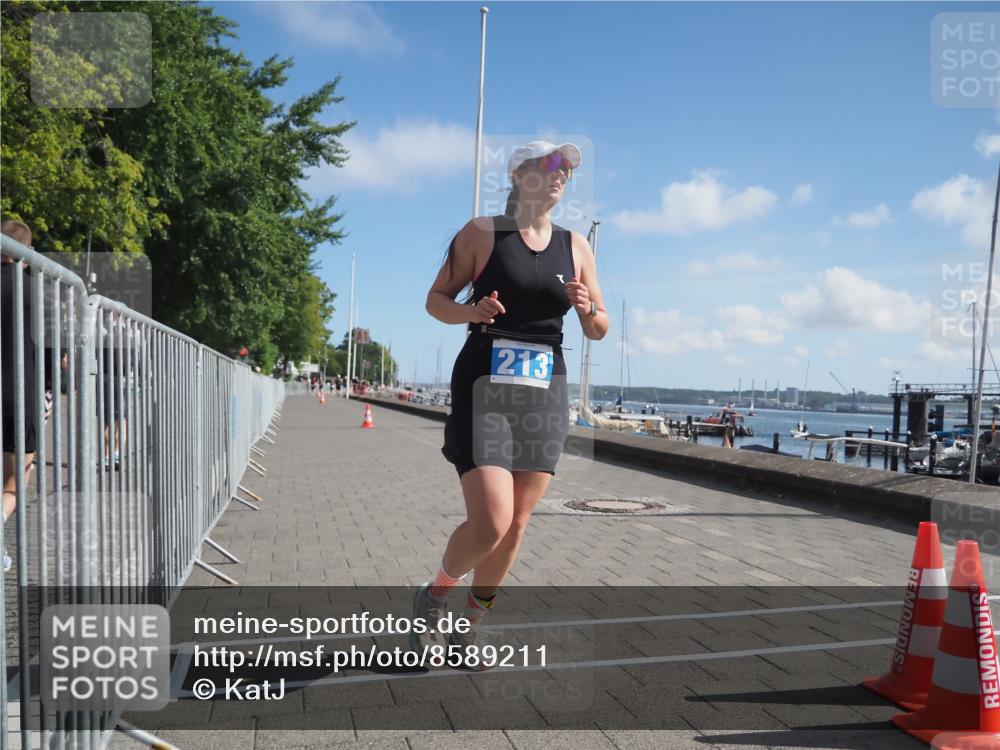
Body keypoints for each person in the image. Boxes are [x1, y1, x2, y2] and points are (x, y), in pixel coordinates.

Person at [417, 141, 608, 667]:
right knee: (492, 521)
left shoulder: (576, 246)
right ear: (519, 174)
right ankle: (434, 595)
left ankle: (469, 627)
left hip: (546, 390)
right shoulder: (482, 233)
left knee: (519, 522)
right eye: (549, 166)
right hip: (485, 383)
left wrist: (590, 310)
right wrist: (472, 311)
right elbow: (435, 301)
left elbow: (599, 328)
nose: (560, 176)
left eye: (566, 170)